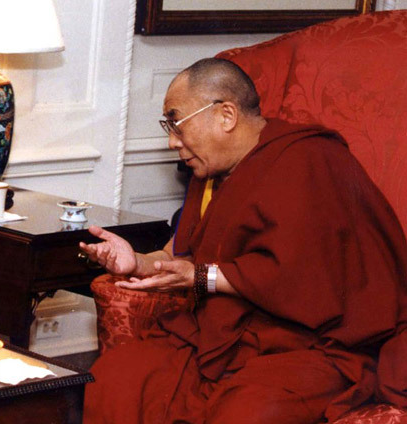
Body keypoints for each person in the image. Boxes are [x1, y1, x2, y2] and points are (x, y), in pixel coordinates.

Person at [80, 58, 407, 423]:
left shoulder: (308, 160)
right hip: (224, 333)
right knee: (118, 377)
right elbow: (184, 259)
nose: (172, 142)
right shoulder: (213, 171)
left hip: (313, 344)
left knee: (246, 412)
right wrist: (136, 262)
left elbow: (298, 278)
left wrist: (201, 277)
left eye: (177, 124)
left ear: (226, 115)